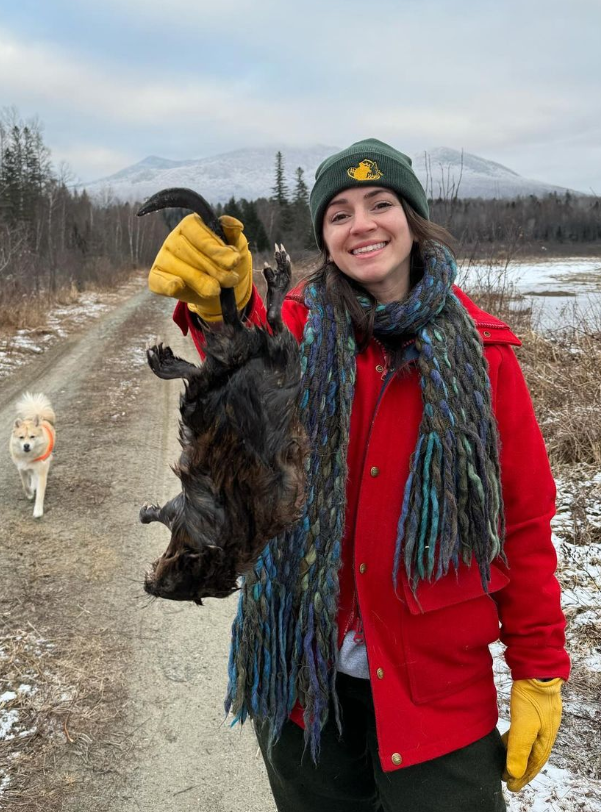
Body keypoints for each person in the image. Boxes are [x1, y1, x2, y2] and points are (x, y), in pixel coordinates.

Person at [146, 138, 570, 812]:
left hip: (436, 691)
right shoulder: (296, 328)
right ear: (325, 237)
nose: (361, 223)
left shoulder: (487, 359)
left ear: (413, 217)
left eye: (380, 203)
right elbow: (242, 354)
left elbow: (520, 523)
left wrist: (539, 668)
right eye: (338, 213)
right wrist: (215, 305)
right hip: (301, 680)